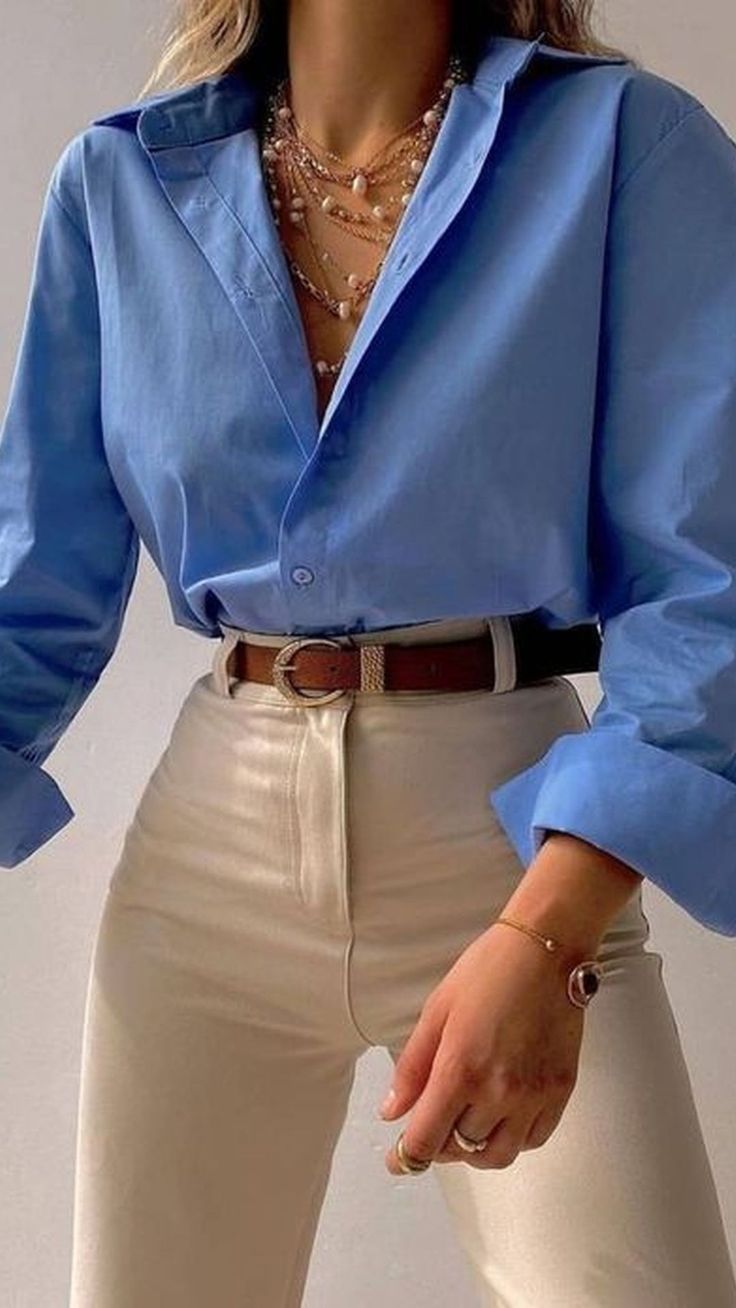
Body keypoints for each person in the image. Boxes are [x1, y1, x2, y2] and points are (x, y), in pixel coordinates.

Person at [2, 1, 736, 1304]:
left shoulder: (626, 148)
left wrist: (548, 933)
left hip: (512, 842)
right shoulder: (118, 183)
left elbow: (708, 575)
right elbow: (33, 583)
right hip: (205, 864)